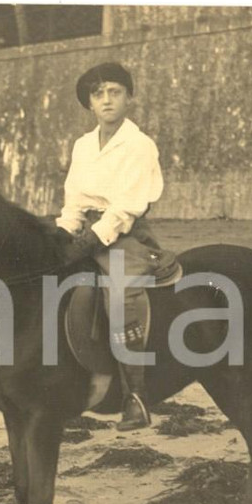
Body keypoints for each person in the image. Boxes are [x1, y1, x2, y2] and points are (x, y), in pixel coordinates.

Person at [55, 61, 181, 431]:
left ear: (128, 98)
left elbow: (127, 205)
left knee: (121, 292)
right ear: (90, 103)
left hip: (124, 233)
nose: (107, 100)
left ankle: (135, 396)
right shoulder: (82, 146)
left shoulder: (139, 145)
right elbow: (73, 201)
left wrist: (92, 239)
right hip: (85, 230)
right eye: (98, 94)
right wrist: (62, 235)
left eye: (115, 92)